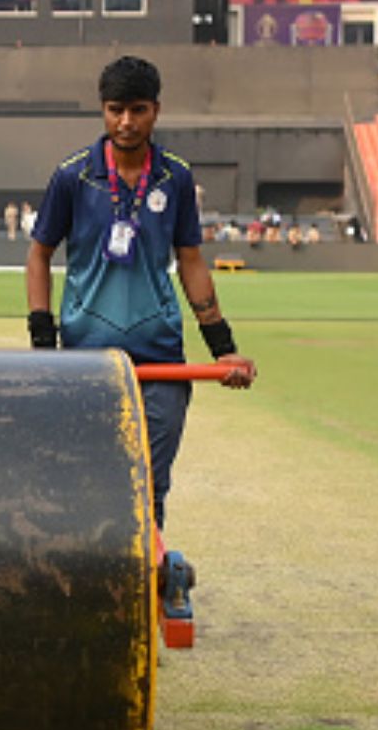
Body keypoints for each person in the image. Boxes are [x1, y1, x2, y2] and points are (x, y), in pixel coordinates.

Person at [24, 56, 256, 532]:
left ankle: (149, 582)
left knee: (151, 485)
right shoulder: (72, 175)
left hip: (161, 357)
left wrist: (222, 347)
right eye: (115, 110)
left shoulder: (176, 177)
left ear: (156, 110)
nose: (126, 122)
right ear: (102, 110)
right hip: (87, 358)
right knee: (87, 479)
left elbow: (190, 260)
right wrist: (44, 344)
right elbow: (39, 254)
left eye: (137, 110)